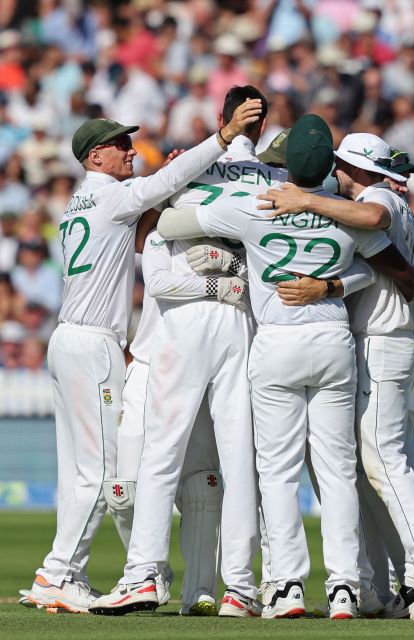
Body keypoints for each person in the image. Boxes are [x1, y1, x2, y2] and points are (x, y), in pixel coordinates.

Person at [155, 114, 414, 620]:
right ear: (330, 165)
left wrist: (185, 189)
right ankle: (343, 586)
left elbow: (171, 223)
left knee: (276, 473)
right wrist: (334, 285)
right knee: (338, 471)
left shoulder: (253, 205)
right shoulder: (345, 211)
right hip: (333, 339)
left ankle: (287, 588)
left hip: (276, 340)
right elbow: (389, 269)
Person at [23, 99, 263, 614]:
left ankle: (66, 572)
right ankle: (58, 573)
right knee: (104, 470)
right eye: (119, 146)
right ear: (94, 159)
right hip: (94, 344)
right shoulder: (111, 197)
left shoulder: (79, 204)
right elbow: (163, 186)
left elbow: (144, 227)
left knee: (75, 472)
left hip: (65, 339)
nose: (131, 151)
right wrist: (220, 140)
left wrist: (173, 184)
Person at [256, 132, 414, 619]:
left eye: (341, 166)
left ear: (354, 166)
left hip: (378, 341)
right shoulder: (401, 212)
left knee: (382, 461)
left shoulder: (376, 199)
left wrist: (305, 199)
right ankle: (380, 584)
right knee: (362, 471)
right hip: (397, 342)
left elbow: (374, 227)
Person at [91, 86, 274, 617]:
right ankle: (240, 586)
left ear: (224, 120)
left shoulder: (188, 169)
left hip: (183, 324)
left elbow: (158, 268)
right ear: (259, 128)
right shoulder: (272, 181)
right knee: (239, 457)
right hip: (240, 320)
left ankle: (143, 573)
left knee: (162, 454)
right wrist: (235, 278)